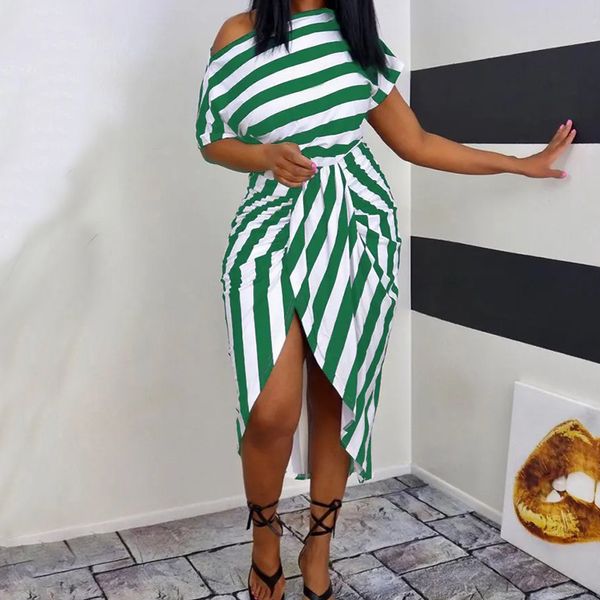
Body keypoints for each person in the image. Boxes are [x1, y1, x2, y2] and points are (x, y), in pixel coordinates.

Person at [195, 2, 575, 599]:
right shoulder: (238, 33)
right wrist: (265, 156)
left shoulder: (354, 39)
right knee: (270, 411)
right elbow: (212, 140)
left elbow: (415, 142)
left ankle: (319, 546)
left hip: (356, 228)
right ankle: (264, 540)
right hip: (268, 230)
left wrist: (518, 165)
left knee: (337, 393)